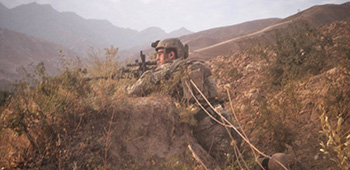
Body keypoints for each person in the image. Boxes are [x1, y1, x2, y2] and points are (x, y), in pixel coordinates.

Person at [127, 38, 240, 163]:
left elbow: (133, 91)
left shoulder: (168, 68)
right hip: (222, 115)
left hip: (206, 126)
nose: (157, 59)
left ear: (171, 54)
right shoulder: (194, 65)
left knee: (229, 163)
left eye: (160, 54)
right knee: (243, 158)